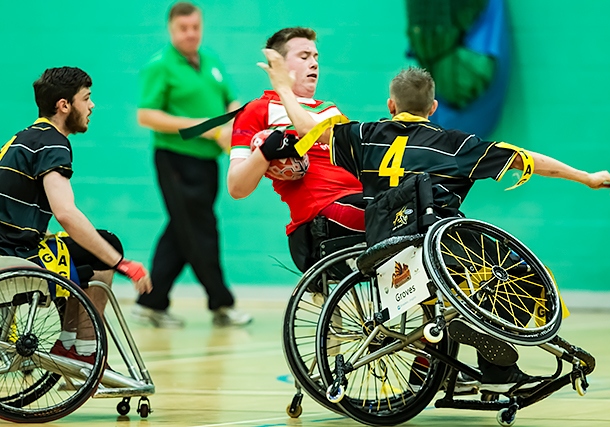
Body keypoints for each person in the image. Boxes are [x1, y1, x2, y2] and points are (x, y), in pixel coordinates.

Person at [259, 51, 610, 393]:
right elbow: (525, 160)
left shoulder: (363, 136)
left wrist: (283, 87)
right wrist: (584, 176)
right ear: (432, 108)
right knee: (517, 273)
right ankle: (495, 368)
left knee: (460, 279)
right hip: (440, 251)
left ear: (391, 105)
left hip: (382, 250)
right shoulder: (454, 145)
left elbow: (309, 126)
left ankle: (426, 368)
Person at [0, 66, 152, 367]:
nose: (92, 105)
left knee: (87, 253)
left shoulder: (24, 137)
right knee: (108, 246)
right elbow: (66, 214)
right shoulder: (53, 143)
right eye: (86, 98)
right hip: (14, 255)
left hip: (10, 247)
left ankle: (71, 343)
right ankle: (83, 349)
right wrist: (120, 263)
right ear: (64, 105)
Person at [135, 2, 250, 328]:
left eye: (195, 27)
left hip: (208, 162)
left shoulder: (210, 59)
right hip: (176, 160)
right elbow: (147, 115)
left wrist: (232, 122)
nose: (190, 34)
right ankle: (221, 304)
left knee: (181, 230)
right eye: (183, 29)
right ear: (172, 30)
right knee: (200, 230)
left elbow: (232, 98)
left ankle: (151, 302)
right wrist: (206, 126)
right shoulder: (159, 66)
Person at [228, 27, 365, 273]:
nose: (314, 64)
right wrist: (266, 152)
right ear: (278, 65)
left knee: (426, 209)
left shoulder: (331, 110)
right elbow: (236, 187)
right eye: (304, 57)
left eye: (316, 57)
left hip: (362, 198)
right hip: (325, 212)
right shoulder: (257, 110)